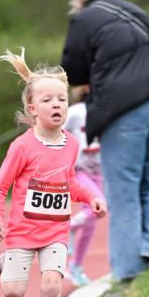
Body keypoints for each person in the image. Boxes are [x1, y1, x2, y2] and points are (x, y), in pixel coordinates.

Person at [60, 0, 149, 281]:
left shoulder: (83, 20)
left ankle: (128, 270)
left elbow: (72, 70)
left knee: (123, 189)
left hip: (124, 109)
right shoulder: (135, 10)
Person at [0, 51, 107, 297]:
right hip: (22, 232)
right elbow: (0, 187)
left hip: (56, 230)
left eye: (62, 100)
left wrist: (91, 196)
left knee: (52, 286)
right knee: (14, 292)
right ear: (32, 109)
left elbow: (70, 182)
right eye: (48, 100)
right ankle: (6, 262)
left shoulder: (71, 144)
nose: (57, 105)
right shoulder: (22, 147)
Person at [63, 90, 104, 285]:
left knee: (93, 219)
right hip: (80, 170)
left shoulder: (109, 109)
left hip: (100, 170)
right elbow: (58, 131)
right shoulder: (76, 112)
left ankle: (76, 266)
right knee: (98, 206)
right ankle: (68, 227)